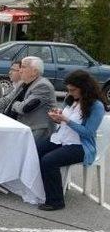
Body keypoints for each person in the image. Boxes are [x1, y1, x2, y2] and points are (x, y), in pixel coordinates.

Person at [36, 70, 108, 211]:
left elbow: (88, 133)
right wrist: (57, 117)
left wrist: (66, 120)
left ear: (84, 88)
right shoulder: (71, 100)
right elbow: (64, 120)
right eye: (68, 90)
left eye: (73, 90)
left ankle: (56, 201)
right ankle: (39, 190)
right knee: (35, 150)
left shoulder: (96, 106)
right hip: (62, 139)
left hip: (80, 146)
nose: (70, 93)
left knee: (49, 160)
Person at [0, 56, 57, 141]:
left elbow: (24, 108)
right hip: (19, 125)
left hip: (36, 129)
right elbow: (7, 100)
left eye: (23, 67)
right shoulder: (23, 83)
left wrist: (14, 103)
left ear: (34, 72)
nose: (20, 71)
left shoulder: (43, 86)